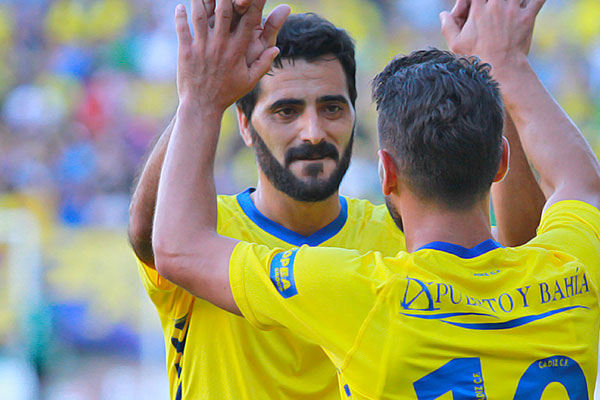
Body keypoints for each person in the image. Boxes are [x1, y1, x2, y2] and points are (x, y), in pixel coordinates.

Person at [132, 1, 544, 399]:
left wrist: (492, 77)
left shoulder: (406, 234)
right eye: (286, 111)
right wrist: (201, 98)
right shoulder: (202, 226)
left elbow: (520, 250)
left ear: (354, 114)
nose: (313, 132)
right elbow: (148, 234)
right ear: (243, 123)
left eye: (331, 108)